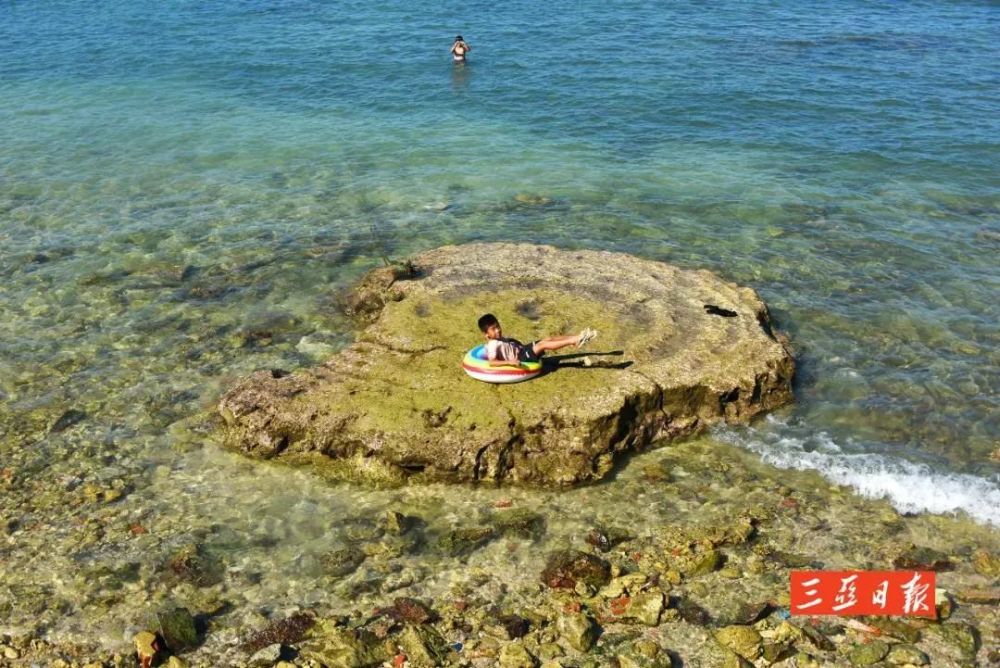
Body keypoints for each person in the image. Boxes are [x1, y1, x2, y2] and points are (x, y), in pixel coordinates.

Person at [477, 313, 597, 367]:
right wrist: (509, 362)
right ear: (486, 334)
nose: (498, 330)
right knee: (542, 345)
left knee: (548, 338)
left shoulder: (497, 338)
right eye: (493, 329)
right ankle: (573, 341)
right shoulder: (492, 344)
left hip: (522, 349)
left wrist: (514, 342)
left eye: (498, 326)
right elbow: (492, 362)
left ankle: (575, 337)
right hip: (521, 358)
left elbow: (506, 344)